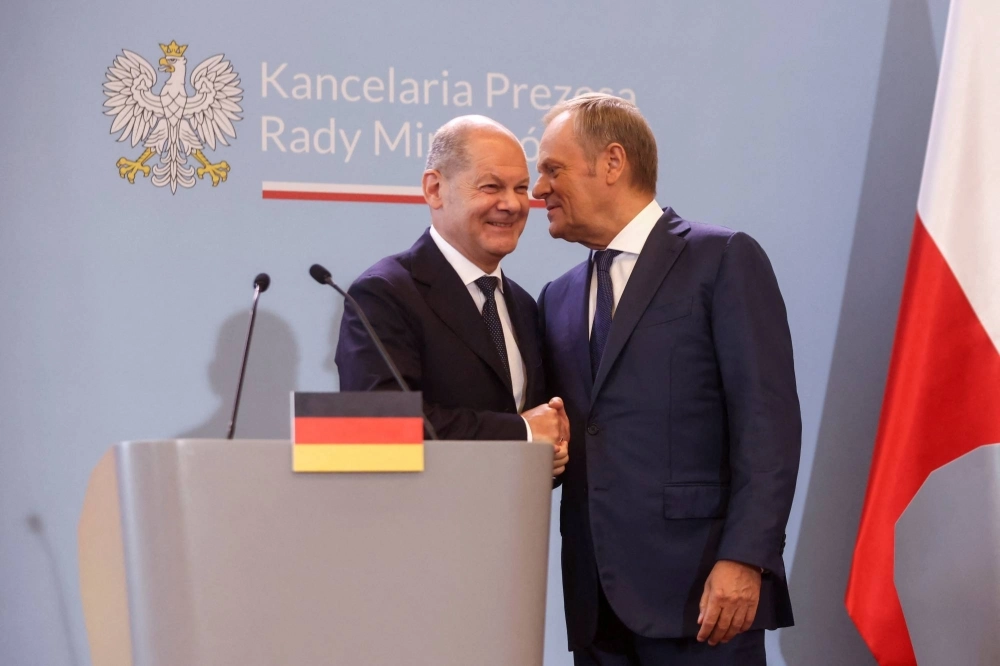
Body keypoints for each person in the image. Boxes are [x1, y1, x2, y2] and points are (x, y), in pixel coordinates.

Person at [534, 93, 801, 665]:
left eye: (553, 169)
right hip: (596, 608)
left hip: (703, 595)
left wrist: (746, 557)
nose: (538, 190)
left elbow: (767, 425)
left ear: (612, 162)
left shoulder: (721, 259)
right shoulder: (556, 298)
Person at [336, 115, 569, 474]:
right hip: (419, 509)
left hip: (515, 510)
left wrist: (551, 451)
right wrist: (522, 434)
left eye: (521, 188)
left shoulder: (523, 306)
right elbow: (377, 429)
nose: (512, 204)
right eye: (491, 187)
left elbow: (542, 431)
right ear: (434, 189)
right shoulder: (384, 294)